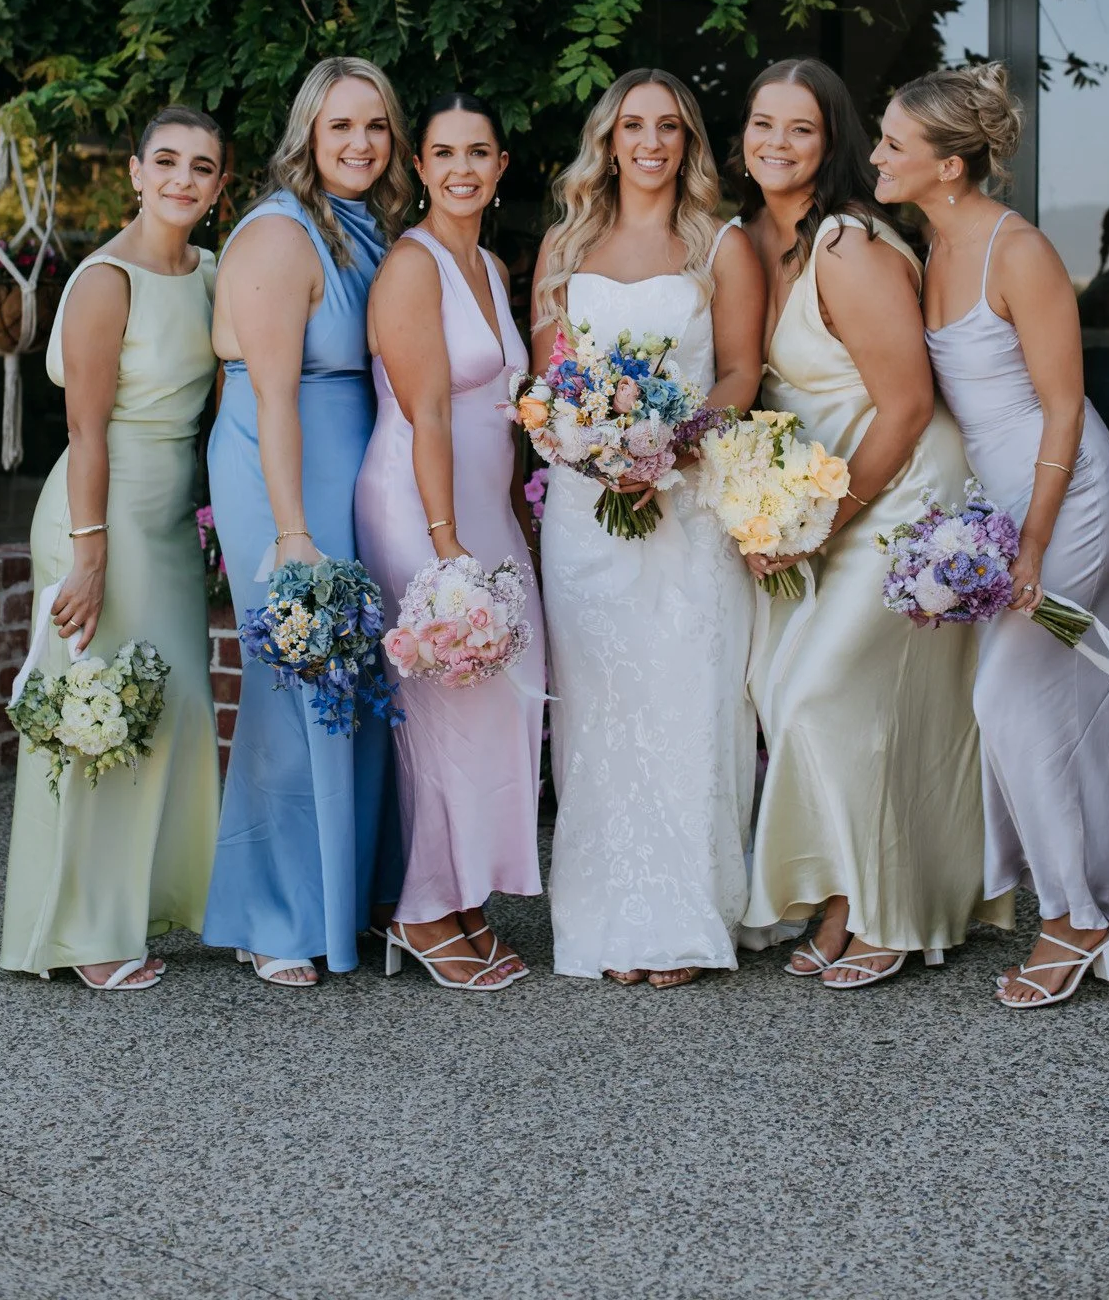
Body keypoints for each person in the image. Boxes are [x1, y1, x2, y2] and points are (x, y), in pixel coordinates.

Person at [873, 62, 1109, 1008]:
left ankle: (1075, 920)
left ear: (949, 167)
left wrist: (1032, 545)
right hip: (1000, 509)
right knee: (1032, 704)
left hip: (1071, 497)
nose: (875, 156)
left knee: (1005, 697)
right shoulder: (924, 250)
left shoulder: (1021, 251)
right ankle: (1079, 903)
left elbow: (1063, 408)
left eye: (892, 144)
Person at [737, 60, 1009, 987]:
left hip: (902, 500)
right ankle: (849, 894)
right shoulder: (759, 244)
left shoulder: (846, 244)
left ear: (832, 143)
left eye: (800, 129)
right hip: (831, 498)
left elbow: (901, 404)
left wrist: (816, 524)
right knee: (798, 694)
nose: (775, 143)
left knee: (822, 692)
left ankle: (886, 911)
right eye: (762, 123)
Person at [532, 68, 764, 988]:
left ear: (689, 144)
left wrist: (669, 446)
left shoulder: (721, 245)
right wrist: (599, 451)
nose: (652, 142)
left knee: (686, 702)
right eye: (634, 125)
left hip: (687, 504)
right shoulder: (564, 244)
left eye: (670, 127)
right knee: (598, 715)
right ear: (609, 138)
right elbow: (549, 390)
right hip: (587, 513)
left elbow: (741, 370)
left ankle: (684, 918)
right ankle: (601, 919)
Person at [0, 108, 228, 989]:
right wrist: (88, 557)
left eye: (201, 168)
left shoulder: (210, 271)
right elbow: (85, 431)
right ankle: (80, 934)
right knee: (93, 714)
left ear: (217, 187)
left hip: (169, 524)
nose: (182, 179)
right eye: (165, 161)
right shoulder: (106, 280)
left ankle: (142, 903)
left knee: (164, 714)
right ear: (134, 172)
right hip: (99, 515)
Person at [201, 57, 411, 986]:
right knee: (296, 683)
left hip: (347, 467)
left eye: (375, 126)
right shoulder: (280, 236)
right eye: (340, 128)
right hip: (281, 476)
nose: (360, 144)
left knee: (353, 682)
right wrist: (291, 534)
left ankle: (338, 896)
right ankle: (272, 915)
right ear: (308, 138)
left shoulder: (369, 227)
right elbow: (271, 399)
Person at [356, 93, 544, 991]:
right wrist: (445, 550)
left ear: (501, 166)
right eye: (444, 153)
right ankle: (421, 908)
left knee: (500, 698)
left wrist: (515, 525)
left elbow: (502, 417)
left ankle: (469, 894)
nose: (463, 167)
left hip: (485, 508)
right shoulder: (410, 265)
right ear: (420, 167)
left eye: (480, 151)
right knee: (439, 707)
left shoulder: (493, 265)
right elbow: (427, 409)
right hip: (418, 507)